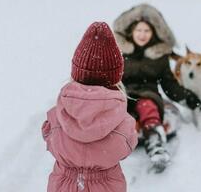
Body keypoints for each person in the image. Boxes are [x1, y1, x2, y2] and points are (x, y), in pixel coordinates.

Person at [41, 22, 138, 192]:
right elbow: (128, 145)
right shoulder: (124, 123)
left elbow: (49, 136)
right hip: (106, 186)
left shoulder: (56, 115)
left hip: (64, 185)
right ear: (116, 78)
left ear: (76, 73)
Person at [113, 4, 201, 173]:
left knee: (148, 108)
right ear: (131, 31)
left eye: (147, 31)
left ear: (154, 33)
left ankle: (155, 142)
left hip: (147, 94)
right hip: (122, 93)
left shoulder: (159, 57)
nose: (142, 34)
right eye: (139, 30)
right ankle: (114, 143)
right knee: (120, 112)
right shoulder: (119, 52)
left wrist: (187, 97)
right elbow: (108, 77)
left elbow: (169, 84)